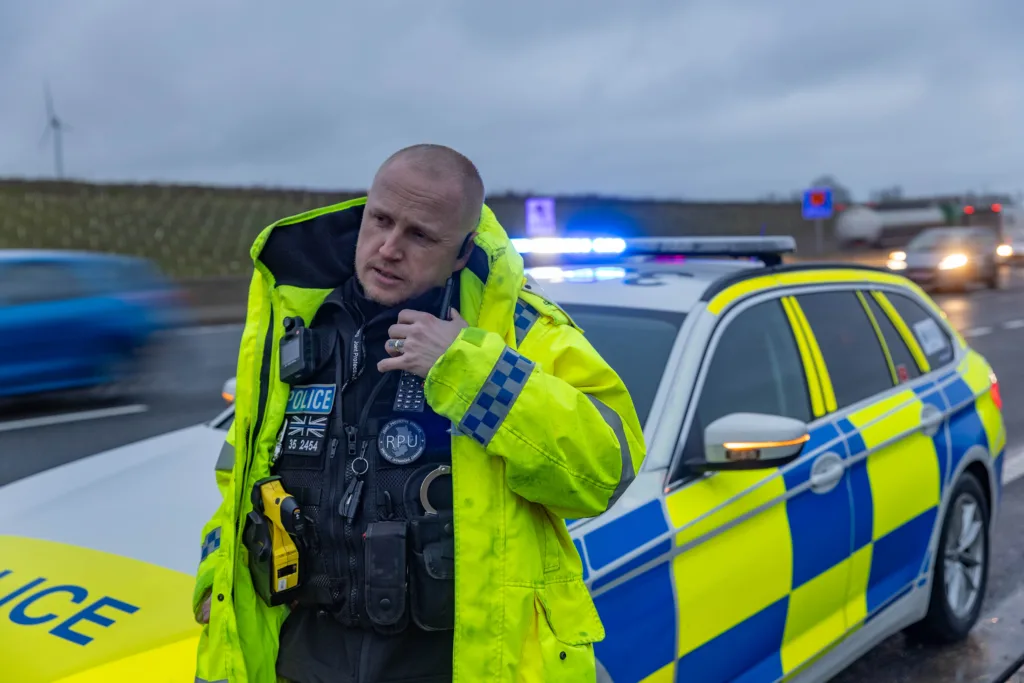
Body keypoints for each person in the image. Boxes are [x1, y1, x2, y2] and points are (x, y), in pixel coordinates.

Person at [191, 144, 646, 683]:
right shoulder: (299, 323)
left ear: (460, 251)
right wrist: (213, 576)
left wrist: (471, 371)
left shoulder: (520, 334)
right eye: (380, 220)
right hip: (305, 655)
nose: (388, 248)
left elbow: (605, 471)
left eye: (420, 236)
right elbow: (241, 473)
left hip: (450, 663)